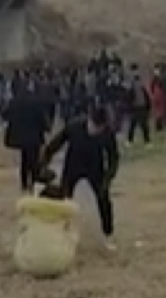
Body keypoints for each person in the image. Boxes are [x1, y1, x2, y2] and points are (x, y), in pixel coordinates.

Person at [40, 104, 120, 250]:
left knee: (104, 200)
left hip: (95, 168)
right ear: (90, 121)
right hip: (73, 166)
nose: (97, 132)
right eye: (95, 129)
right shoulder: (74, 126)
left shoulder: (108, 133)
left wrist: (108, 178)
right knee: (64, 199)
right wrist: (45, 161)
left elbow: (114, 157)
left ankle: (108, 234)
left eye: (100, 130)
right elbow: (55, 144)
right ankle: (62, 231)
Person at [4, 81, 51, 192]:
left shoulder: (14, 101)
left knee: (24, 159)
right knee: (34, 160)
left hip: (20, 136)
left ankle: (24, 183)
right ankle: (34, 181)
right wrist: (46, 128)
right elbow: (42, 117)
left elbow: (6, 114)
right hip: (35, 135)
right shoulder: (37, 101)